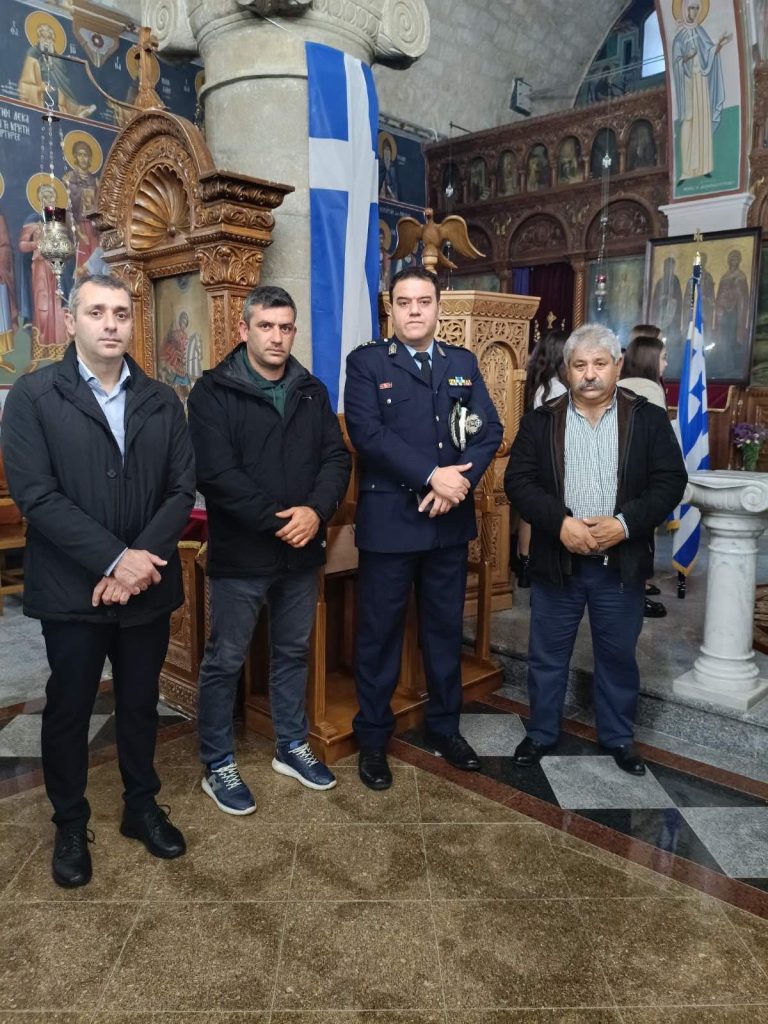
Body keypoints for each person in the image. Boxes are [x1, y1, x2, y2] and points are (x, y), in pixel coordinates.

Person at [0, 272, 195, 888]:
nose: (111, 324)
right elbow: (37, 497)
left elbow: (180, 490)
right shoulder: (34, 396)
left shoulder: (161, 399)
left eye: (121, 313)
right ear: (70, 319)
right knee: (70, 707)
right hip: (72, 587)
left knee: (139, 702)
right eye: (96, 312)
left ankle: (141, 806)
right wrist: (116, 560)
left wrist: (136, 564)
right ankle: (69, 820)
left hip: (146, 587)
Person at [188, 285, 350, 814]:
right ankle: (218, 762)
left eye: (285, 327)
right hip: (242, 554)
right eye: (265, 326)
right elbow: (216, 474)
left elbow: (336, 459)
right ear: (244, 329)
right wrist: (282, 521)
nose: (276, 337)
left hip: (301, 552)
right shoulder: (213, 391)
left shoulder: (311, 390)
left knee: (293, 651)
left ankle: (291, 745)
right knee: (226, 659)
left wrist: (316, 512)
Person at [344, 265, 503, 790]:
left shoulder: (461, 363)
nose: (414, 310)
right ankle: (373, 739)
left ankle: (446, 728)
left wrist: (458, 483)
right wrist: (433, 476)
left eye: (424, 301)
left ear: (439, 307)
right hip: (391, 524)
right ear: (391, 308)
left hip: (446, 525)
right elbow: (368, 434)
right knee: (379, 635)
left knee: (443, 631)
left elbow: (489, 430)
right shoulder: (368, 362)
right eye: (404, 302)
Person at [504, 324, 686, 776]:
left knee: (617, 656)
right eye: (580, 365)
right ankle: (541, 732)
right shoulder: (542, 420)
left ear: (617, 366)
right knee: (547, 656)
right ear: (566, 370)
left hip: (619, 564)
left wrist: (624, 525)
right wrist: (560, 523)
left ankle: (618, 737)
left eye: (600, 364)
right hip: (558, 561)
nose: (590, 374)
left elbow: (671, 482)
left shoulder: (646, 418)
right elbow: (518, 482)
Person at [618, 331, 670, 620]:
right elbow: (656, 441)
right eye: (663, 358)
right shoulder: (650, 389)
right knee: (641, 538)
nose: (666, 364)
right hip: (641, 477)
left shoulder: (620, 384)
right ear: (650, 360)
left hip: (618, 476)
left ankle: (632, 588)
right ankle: (637, 594)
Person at [516, 329, 568, 588]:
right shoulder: (556, 387)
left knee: (528, 515)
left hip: (533, 453)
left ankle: (524, 563)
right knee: (538, 514)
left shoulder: (538, 382)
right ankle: (529, 564)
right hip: (546, 455)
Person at [671, 0, 730, 182]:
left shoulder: (700, 31)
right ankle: (686, 170)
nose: (695, 11)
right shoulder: (679, 37)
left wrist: (719, 45)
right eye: (692, 8)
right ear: (684, 9)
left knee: (703, 120)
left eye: (697, 8)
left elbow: (709, 52)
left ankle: (704, 167)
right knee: (688, 121)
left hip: (701, 82)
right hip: (688, 83)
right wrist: (686, 58)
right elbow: (675, 63)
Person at [18, 18, 96, 118]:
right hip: (41, 101)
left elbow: (64, 85)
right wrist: (41, 88)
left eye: (49, 38)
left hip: (59, 106)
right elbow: (24, 86)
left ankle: (76, 110)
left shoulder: (58, 60)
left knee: (67, 102)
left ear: (53, 40)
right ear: (39, 38)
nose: (46, 40)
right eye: (43, 37)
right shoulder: (32, 55)